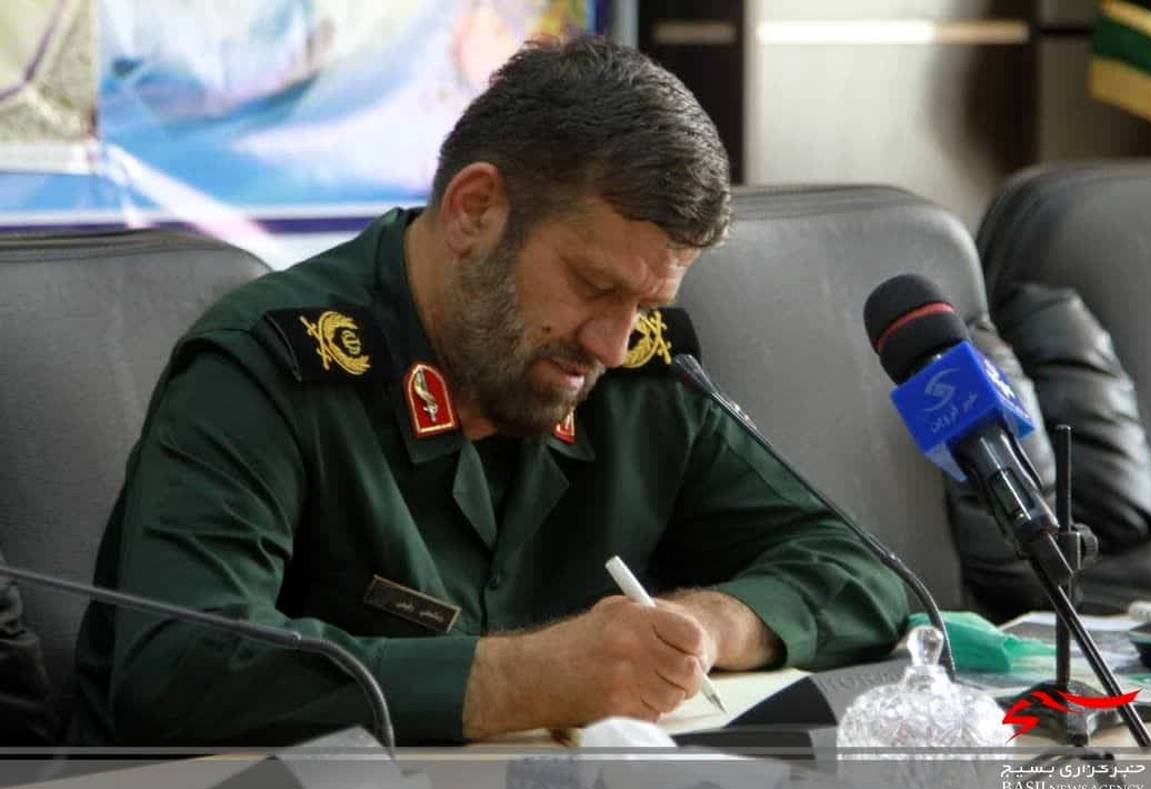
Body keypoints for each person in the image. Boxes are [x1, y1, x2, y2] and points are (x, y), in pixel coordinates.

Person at [71, 37, 906, 745]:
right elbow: (179, 667)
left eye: (647, 308)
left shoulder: (635, 373)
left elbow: (861, 568)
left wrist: (710, 628)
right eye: (592, 285)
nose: (613, 343)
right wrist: (526, 680)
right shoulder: (270, 363)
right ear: (474, 210)